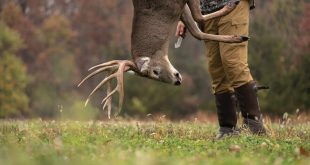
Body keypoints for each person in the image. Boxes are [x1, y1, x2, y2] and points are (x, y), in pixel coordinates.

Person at [176, 0, 266, 139]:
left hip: (233, 4)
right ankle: (227, 128)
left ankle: (253, 125)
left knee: (233, 62)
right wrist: (185, 15)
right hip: (207, 11)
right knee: (216, 68)